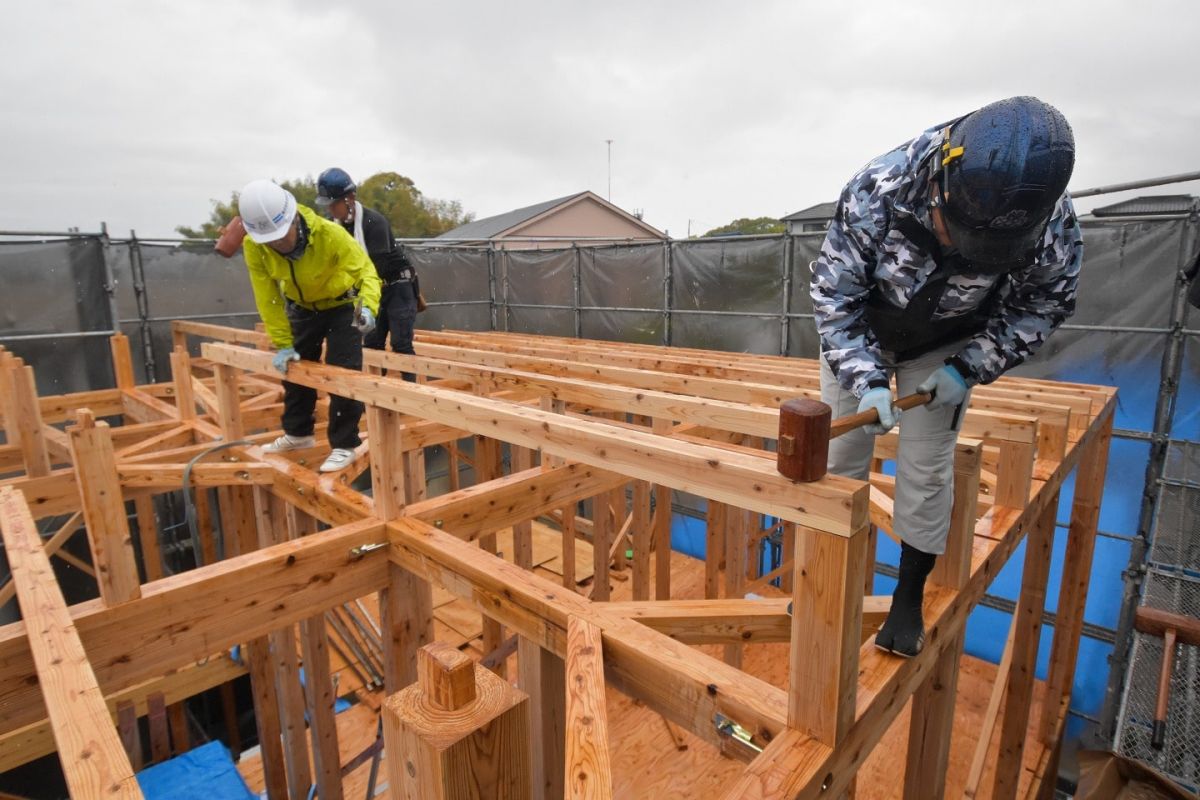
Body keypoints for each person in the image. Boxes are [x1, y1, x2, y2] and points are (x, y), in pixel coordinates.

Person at [810, 96, 1082, 657]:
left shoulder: (1051, 224)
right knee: (839, 463)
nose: (964, 250)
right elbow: (835, 297)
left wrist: (969, 366)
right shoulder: (879, 189)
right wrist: (867, 379)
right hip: (865, 329)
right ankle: (823, 584)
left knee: (927, 467)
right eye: (957, 232)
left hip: (949, 342)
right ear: (942, 185)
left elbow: (1045, 303)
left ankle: (907, 598)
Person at [238, 179, 381, 472]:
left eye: (281, 237)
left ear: (293, 218)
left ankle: (345, 444)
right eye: (270, 241)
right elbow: (268, 298)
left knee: (342, 370)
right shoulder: (255, 246)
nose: (277, 245)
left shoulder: (329, 235)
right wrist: (283, 342)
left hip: (343, 304)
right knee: (296, 368)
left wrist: (367, 307)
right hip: (302, 307)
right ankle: (298, 433)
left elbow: (367, 272)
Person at [315, 168, 420, 381]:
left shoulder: (374, 223)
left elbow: (374, 269)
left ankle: (413, 394)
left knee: (401, 344)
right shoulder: (336, 228)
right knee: (369, 342)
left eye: (334, 203)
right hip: (368, 289)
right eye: (328, 205)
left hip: (397, 286)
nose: (331, 209)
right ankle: (375, 397)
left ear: (350, 198)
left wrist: (346, 294)